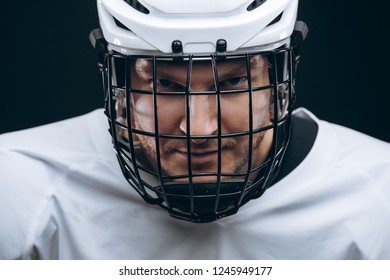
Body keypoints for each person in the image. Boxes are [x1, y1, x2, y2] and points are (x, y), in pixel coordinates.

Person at [1, 0, 389, 260]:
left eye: (234, 82)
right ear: (117, 85)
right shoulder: (21, 189)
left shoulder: (376, 202)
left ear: (280, 82)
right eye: (166, 86)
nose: (199, 129)